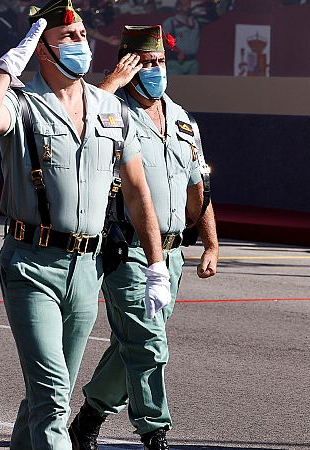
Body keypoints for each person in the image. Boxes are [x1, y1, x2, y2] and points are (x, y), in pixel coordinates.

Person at [0, 2, 171, 449]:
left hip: (87, 268)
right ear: (41, 50)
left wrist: (156, 266)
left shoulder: (109, 108)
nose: (81, 44)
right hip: (31, 265)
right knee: (53, 396)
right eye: (67, 38)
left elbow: (136, 192)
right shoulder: (22, 103)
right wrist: (4, 70)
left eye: (82, 36)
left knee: (48, 395)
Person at [67, 25, 219, 450]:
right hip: (128, 250)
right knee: (149, 342)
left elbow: (198, 189)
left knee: (132, 342)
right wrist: (108, 84)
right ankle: (155, 431)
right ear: (128, 64)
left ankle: (90, 416)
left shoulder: (183, 119)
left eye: (160, 63)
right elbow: (78, 124)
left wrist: (210, 242)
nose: (155, 71)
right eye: (145, 63)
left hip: (171, 255)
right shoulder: (111, 111)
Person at [161, 0, 219, 75]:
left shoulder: (196, 21)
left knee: (192, 85)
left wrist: (209, 5)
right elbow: (165, 40)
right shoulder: (171, 22)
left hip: (192, 61)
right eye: (185, 5)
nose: (188, 7)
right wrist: (178, 51)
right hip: (176, 62)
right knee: (176, 84)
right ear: (178, 7)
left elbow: (213, 18)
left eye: (189, 4)